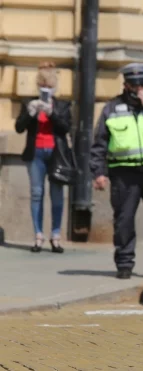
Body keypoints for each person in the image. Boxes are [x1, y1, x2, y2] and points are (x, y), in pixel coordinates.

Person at [89, 62, 143, 279]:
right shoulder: (112, 108)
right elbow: (100, 143)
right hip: (124, 175)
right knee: (124, 221)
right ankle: (124, 264)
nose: (138, 88)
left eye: (141, 83)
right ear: (126, 85)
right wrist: (98, 172)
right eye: (134, 84)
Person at [15, 61, 72, 253]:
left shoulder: (62, 105)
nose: (45, 90)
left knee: (56, 196)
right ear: (38, 86)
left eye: (49, 86)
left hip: (56, 155)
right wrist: (31, 113)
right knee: (36, 194)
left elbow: (66, 128)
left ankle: (55, 236)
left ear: (55, 87)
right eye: (42, 86)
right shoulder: (29, 102)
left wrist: (52, 113)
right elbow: (19, 128)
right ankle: (38, 236)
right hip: (35, 154)